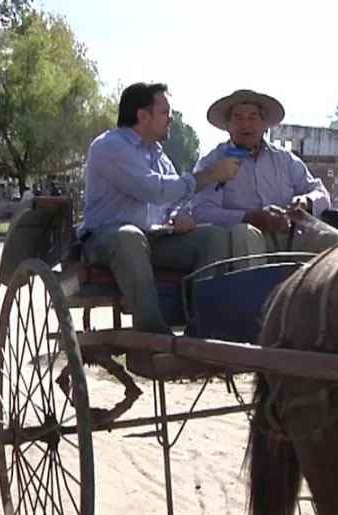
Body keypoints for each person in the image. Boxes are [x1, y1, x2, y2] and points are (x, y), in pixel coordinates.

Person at [77, 82, 240, 337]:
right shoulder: (110, 146)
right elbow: (153, 190)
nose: (171, 118)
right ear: (143, 116)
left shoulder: (158, 154)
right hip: (105, 240)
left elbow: (175, 200)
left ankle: (204, 331)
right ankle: (153, 337)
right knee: (129, 236)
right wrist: (208, 176)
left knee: (214, 237)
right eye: (165, 112)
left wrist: (179, 215)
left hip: (151, 239)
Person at [191, 89, 338, 266]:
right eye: (238, 118)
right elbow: (202, 212)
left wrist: (305, 201)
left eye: (252, 117)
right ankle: (253, 292)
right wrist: (251, 218)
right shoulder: (212, 164)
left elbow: (320, 192)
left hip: (290, 236)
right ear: (228, 125)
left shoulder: (285, 160)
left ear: (265, 125)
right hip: (244, 243)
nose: (245, 124)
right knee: (244, 233)